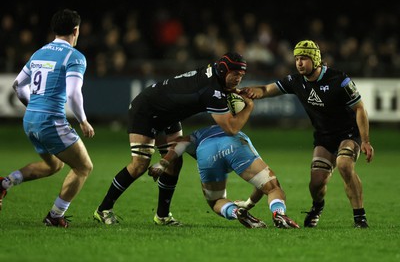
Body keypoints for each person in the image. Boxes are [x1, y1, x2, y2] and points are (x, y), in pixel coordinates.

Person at [93, 52, 253, 226]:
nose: (239, 79)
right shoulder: (212, 91)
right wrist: (249, 106)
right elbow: (231, 128)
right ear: (223, 70)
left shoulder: (215, 74)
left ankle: (162, 216)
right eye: (235, 74)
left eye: (242, 75)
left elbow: (218, 88)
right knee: (140, 164)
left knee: (175, 161)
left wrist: (235, 90)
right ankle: (103, 209)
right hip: (147, 109)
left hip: (169, 112)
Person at [242, 40, 374, 228]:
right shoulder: (295, 81)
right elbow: (267, 90)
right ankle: (317, 207)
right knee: (316, 184)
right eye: (297, 59)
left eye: (304, 58)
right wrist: (250, 91)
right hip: (324, 137)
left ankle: (359, 217)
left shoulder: (340, 80)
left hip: (349, 133)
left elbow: (360, 109)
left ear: (315, 59)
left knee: (344, 165)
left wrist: (366, 141)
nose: (299, 63)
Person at [0, 9, 95, 228]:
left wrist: (31, 105)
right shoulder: (74, 56)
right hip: (51, 122)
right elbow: (73, 93)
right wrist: (82, 120)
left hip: (30, 120)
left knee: (53, 166)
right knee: (83, 167)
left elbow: (17, 85)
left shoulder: (39, 53)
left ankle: (5, 182)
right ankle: (55, 215)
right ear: (76, 30)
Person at [148, 124, 300, 229]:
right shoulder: (230, 128)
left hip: (207, 152)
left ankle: (236, 212)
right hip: (234, 144)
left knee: (216, 201)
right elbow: (262, 186)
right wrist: (249, 203)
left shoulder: (195, 135)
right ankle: (279, 214)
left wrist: (163, 163)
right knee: (272, 187)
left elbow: (181, 143)